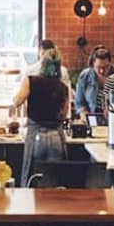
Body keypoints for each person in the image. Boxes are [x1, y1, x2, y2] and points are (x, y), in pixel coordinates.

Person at [13, 48, 70, 186]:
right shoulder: (63, 87)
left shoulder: (30, 81)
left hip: (36, 136)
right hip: (56, 136)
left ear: (42, 64)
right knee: (54, 179)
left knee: (32, 177)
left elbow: (17, 102)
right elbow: (64, 114)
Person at [73, 45, 112, 118]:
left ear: (110, 63)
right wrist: (83, 113)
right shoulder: (85, 76)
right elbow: (79, 102)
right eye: (98, 67)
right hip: (92, 116)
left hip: (112, 118)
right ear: (93, 64)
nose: (102, 71)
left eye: (105, 67)